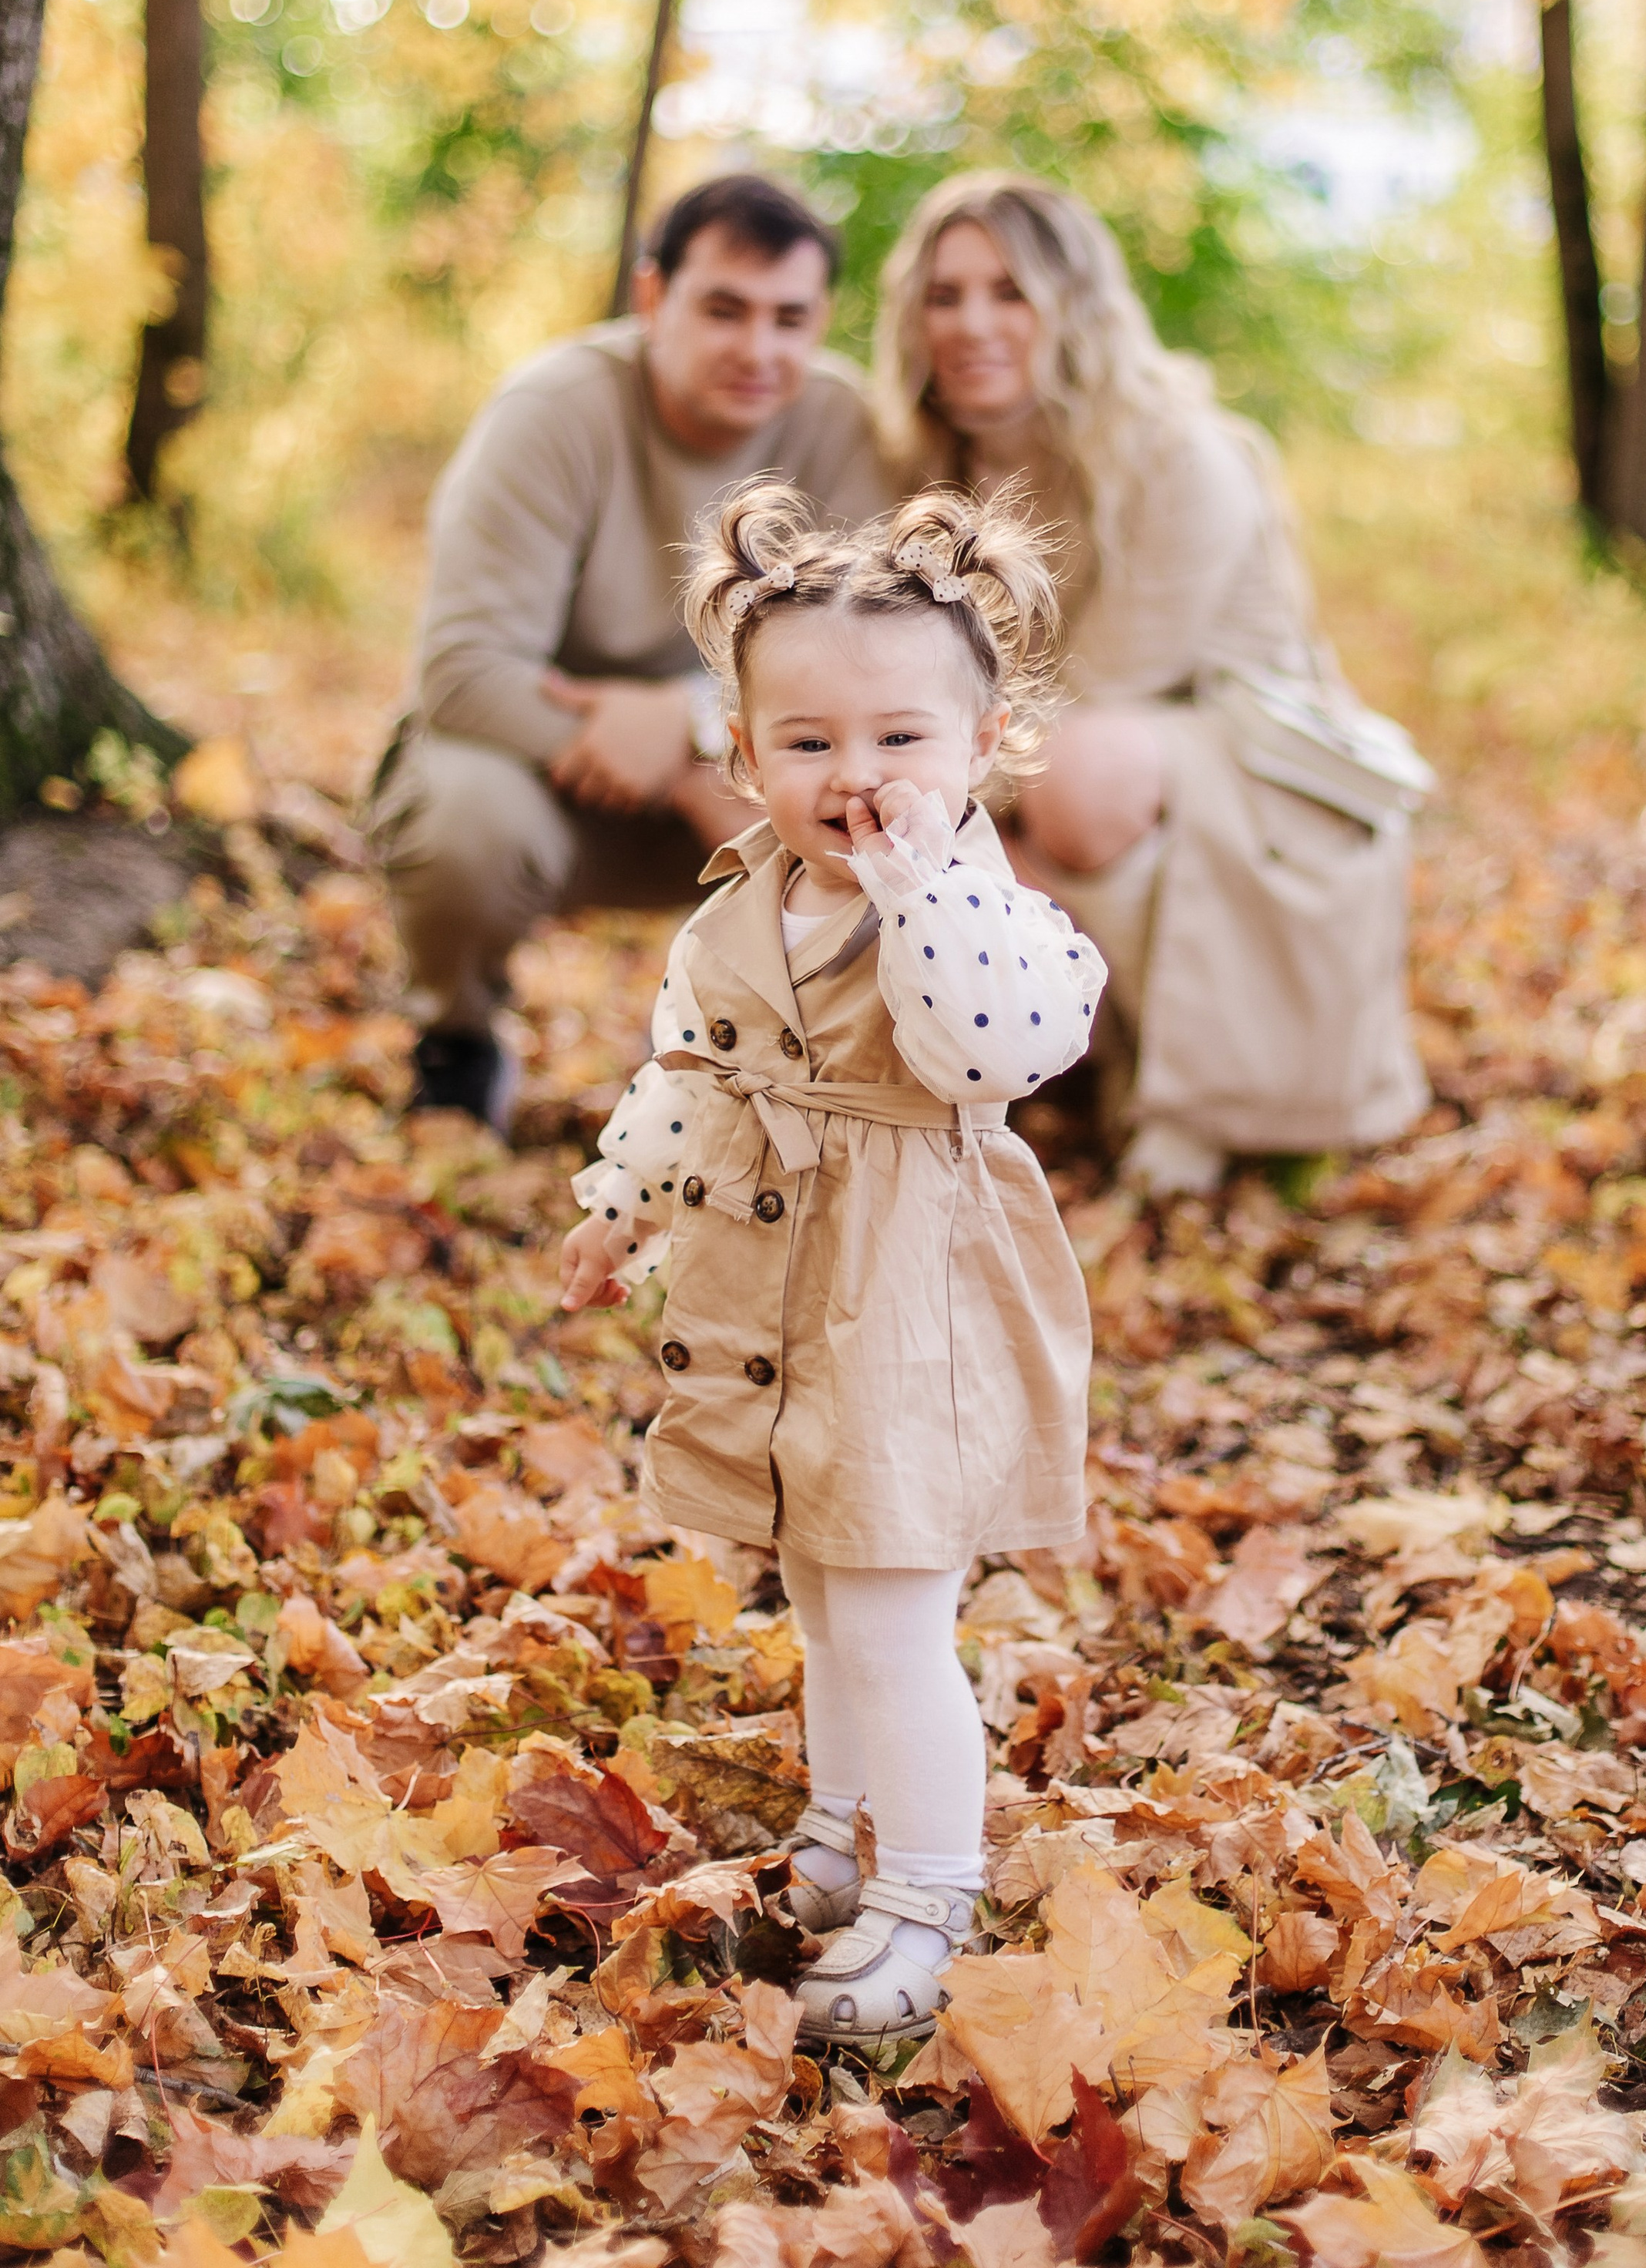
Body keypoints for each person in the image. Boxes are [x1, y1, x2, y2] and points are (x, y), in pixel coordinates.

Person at [557, 479, 1104, 2051]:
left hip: (907, 1303)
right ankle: (837, 1823)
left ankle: (928, 1889)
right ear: (743, 755)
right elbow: (690, 1069)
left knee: (888, 1611)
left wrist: (925, 885)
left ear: (984, 741)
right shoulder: (743, 908)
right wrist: (623, 1199)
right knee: (821, 1587)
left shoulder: (985, 916)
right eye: (806, 744)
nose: (853, 776)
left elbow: (990, 1050)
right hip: (775, 1294)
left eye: (898, 740)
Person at [873, 170, 1429, 1194]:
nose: (971, 322)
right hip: (1051, 754)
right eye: (944, 295)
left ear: (1074, 306)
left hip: (1255, 760)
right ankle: (1052, 1047)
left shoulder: (1182, 454)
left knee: (1071, 779)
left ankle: (1179, 1082)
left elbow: (1084, 694)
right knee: (919, 803)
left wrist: (937, 831)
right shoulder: (933, 464)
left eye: (1010, 291)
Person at [370, 173, 891, 1130]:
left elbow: (864, 662)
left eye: (789, 318)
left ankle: (810, 1074)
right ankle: (457, 1046)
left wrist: (695, 732)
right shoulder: (554, 410)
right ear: (653, 297)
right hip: (565, 777)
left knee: (871, 791)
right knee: (463, 809)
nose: (757, 348)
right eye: (724, 309)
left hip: (743, 772)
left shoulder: (838, 423)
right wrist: (668, 759)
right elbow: (461, 671)